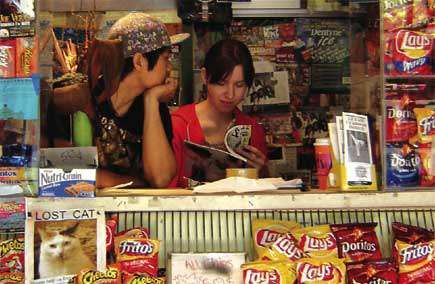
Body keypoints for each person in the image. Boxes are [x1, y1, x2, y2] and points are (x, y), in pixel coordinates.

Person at [87, 13, 188, 188]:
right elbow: (72, 176)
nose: (169, 67)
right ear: (139, 61)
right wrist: (137, 182)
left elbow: (161, 178)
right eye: (165, 58)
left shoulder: (154, 107)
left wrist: (151, 100)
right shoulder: (87, 98)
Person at [170, 39, 268, 188]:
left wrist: (261, 173)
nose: (230, 94)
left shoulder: (252, 130)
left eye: (239, 85)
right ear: (205, 76)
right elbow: (165, 191)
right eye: (221, 83)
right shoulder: (179, 125)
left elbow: (263, 197)